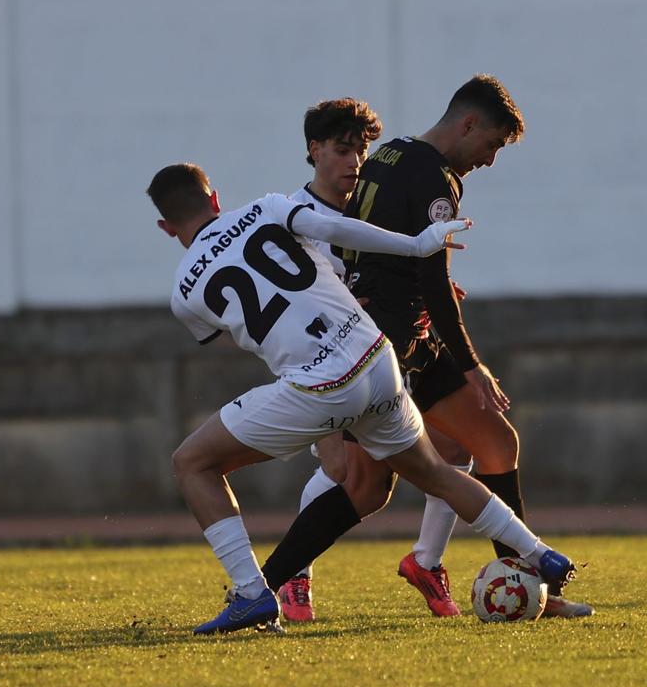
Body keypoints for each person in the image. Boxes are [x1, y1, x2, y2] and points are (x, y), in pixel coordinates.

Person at [147, 162, 579, 633]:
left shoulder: (182, 296)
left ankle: (252, 594)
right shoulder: (267, 208)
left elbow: (246, 329)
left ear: (166, 228)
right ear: (214, 199)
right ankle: (541, 554)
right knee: (435, 471)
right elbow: (334, 229)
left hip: (322, 385)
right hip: (376, 357)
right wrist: (416, 245)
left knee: (193, 462)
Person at [260, 76, 594, 620]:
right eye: (491, 145)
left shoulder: (388, 154)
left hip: (408, 334)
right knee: (363, 487)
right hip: (384, 345)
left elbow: (362, 238)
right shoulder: (437, 178)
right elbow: (435, 282)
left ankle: (531, 586)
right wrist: (473, 365)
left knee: (493, 442)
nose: (488, 160)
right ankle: (265, 585)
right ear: (467, 124)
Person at [272, 97, 476, 623]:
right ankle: (294, 575)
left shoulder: (372, 203)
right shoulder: (297, 217)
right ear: (313, 150)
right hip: (328, 360)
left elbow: (398, 267)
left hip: (393, 346)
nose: (353, 163)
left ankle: (427, 562)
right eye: (342, 150)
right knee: (345, 473)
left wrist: (434, 290)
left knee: (458, 444)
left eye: (360, 151)